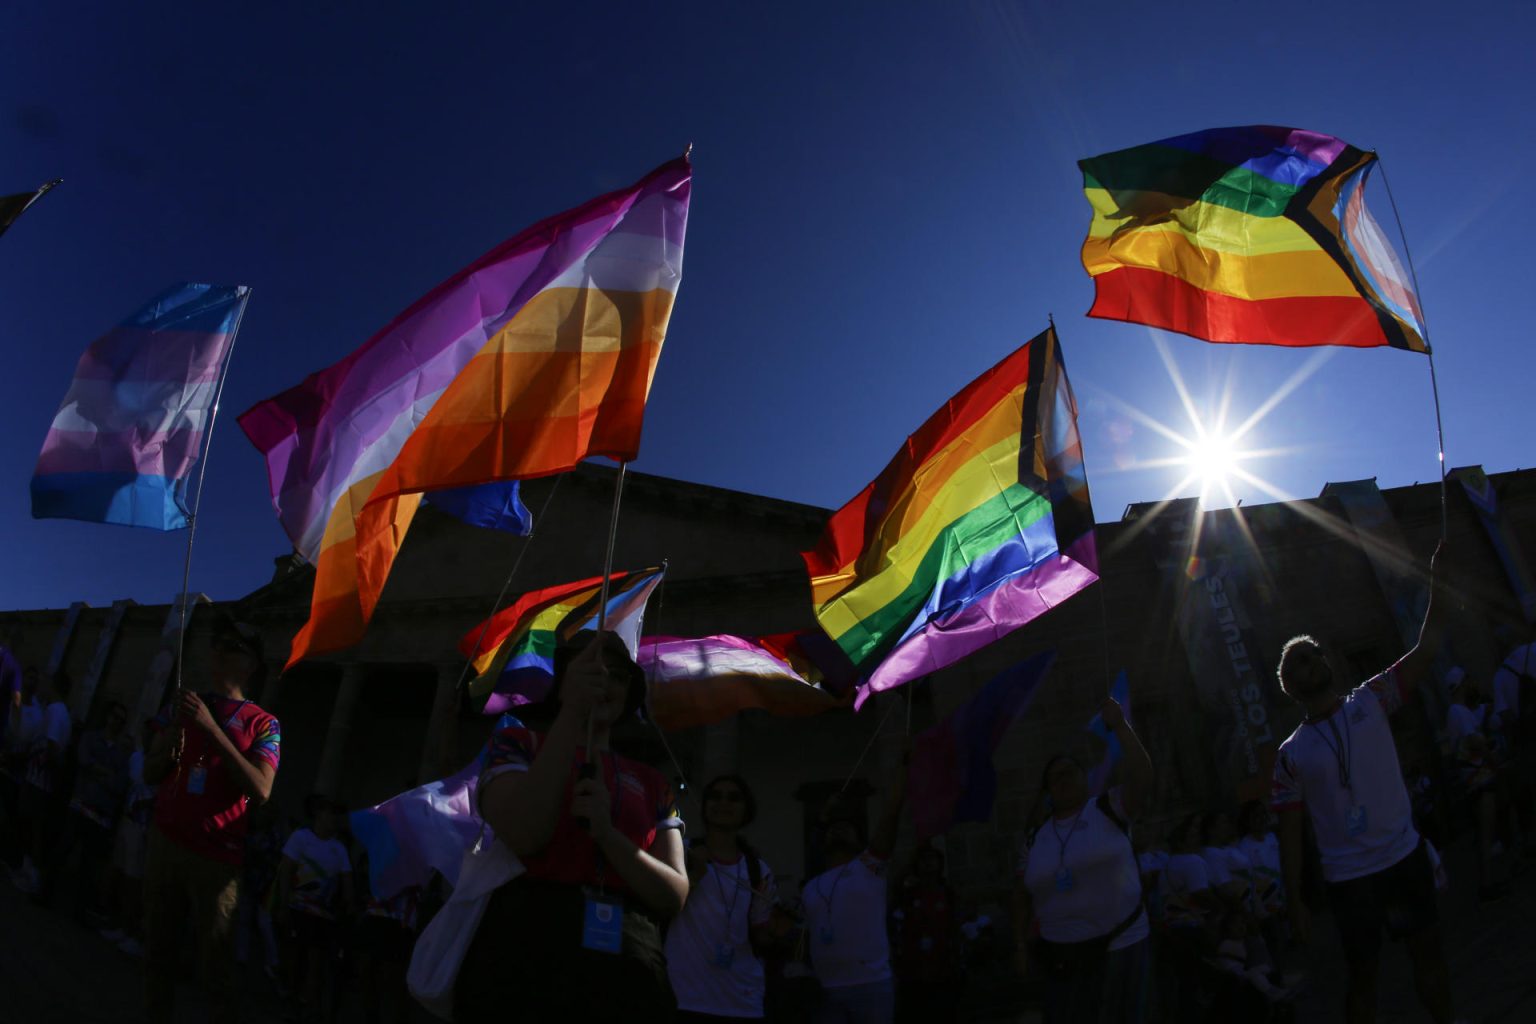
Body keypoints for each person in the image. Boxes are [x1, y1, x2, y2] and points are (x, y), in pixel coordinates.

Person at [456, 630, 688, 1020]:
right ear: (562, 680)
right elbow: (524, 834)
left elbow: (674, 895)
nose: (603, 680)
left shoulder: (653, 782)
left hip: (628, 954)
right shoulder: (518, 743)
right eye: (589, 670)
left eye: (617, 675)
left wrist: (608, 835)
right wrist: (572, 713)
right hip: (528, 942)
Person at [1271, 541, 1457, 1024]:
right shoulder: (1290, 755)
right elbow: (1289, 834)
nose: (1305, 666)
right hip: (1350, 880)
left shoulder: (1372, 699)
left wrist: (1437, 579)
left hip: (1403, 856)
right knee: (1363, 978)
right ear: (1288, 688)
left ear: (1329, 663)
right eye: (1294, 667)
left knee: (1429, 958)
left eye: (1310, 656)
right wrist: (1295, 899)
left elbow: (1427, 645)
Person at [141, 620, 280, 1023]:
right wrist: (168, 749)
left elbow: (261, 790)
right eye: (217, 644)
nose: (219, 651)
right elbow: (150, 772)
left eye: (232, 646)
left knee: (216, 970)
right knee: (156, 953)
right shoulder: (184, 704)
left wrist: (211, 729)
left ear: (251, 664)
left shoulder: (264, 724)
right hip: (166, 842)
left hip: (216, 859)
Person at [1013, 696, 1152, 1024]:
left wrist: (1119, 725)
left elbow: (1143, 777)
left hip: (1122, 947)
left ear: (1085, 778)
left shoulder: (1109, 808)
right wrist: (1018, 945)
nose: (1063, 779)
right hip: (1062, 958)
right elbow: (1019, 894)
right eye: (1055, 776)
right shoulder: (1034, 838)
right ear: (1047, 790)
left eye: (1070, 772)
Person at [666, 773, 779, 1022]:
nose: (723, 803)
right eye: (715, 797)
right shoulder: (678, 850)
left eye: (733, 798)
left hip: (742, 1000)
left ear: (746, 811)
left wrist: (779, 930)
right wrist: (693, 875)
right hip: (685, 997)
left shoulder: (758, 870)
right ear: (704, 806)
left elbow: (760, 935)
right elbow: (661, 905)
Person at [801, 765, 906, 1024]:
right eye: (833, 829)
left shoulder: (869, 867)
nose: (838, 830)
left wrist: (903, 766)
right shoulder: (811, 885)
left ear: (860, 841)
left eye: (847, 828)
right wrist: (824, 814)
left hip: (871, 987)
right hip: (825, 990)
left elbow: (891, 813)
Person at [49, 698, 132, 915]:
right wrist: (105, 772)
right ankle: (47, 892)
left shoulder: (122, 756)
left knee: (88, 865)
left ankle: (78, 908)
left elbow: (119, 784)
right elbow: (84, 761)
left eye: (122, 721)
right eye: (115, 717)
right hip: (80, 804)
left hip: (99, 815)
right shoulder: (91, 738)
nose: (117, 723)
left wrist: (97, 771)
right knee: (63, 850)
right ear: (107, 717)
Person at [278, 795, 353, 1022]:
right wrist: (282, 905)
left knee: (315, 960)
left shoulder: (339, 849)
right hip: (297, 907)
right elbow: (285, 872)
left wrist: (348, 907)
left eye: (337, 814)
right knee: (294, 957)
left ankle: (306, 1003)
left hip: (322, 914)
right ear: (319, 814)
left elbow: (347, 882)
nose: (335, 819)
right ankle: (290, 995)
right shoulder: (301, 838)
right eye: (331, 813)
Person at [13, 669, 71, 896]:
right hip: (39, 781)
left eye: (46, 682)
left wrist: (32, 757)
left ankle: (31, 877)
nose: (42, 687)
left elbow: (52, 747)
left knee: (31, 827)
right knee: (30, 827)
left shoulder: (55, 712)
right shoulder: (58, 711)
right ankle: (27, 872)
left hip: (39, 782)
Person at [890, 842, 960, 1024]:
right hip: (914, 969)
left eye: (932, 858)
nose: (928, 863)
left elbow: (954, 924)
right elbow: (894, 890)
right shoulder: (909, 894)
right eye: (923, 859)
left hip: (943, 967)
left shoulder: (947, 893)